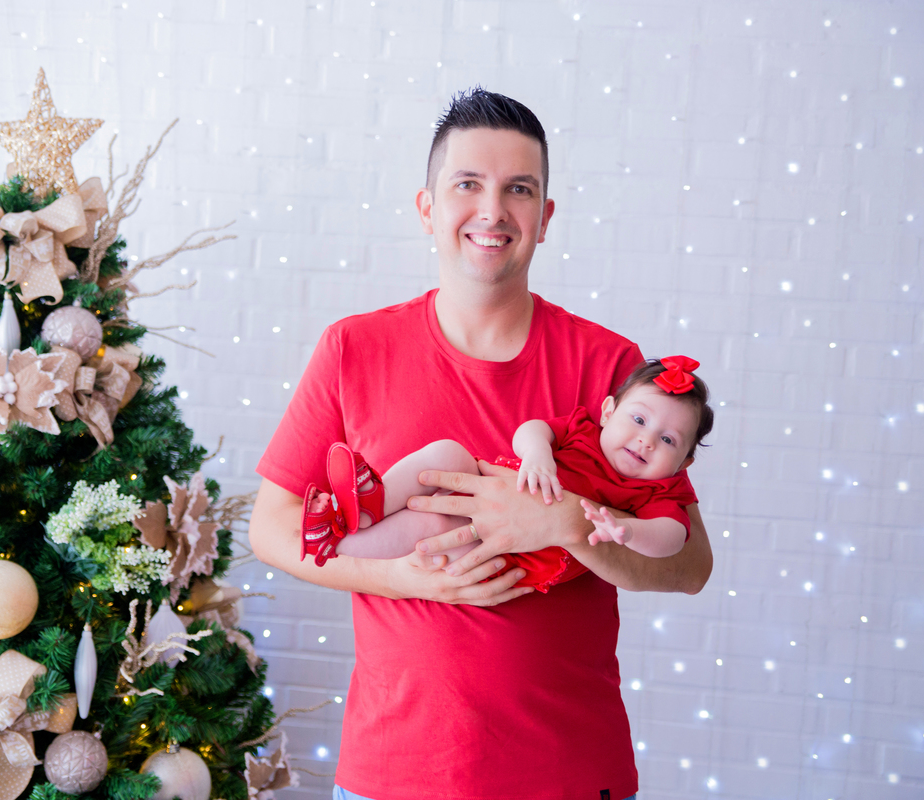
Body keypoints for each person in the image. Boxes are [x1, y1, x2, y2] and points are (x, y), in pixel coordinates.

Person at [249, 88, 712, 800]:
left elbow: (690, 565)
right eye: (468, 185)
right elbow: (270, 529)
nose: (493, 212)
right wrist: (400, 578)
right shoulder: (353, 348)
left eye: (518, 190)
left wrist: (566, 526)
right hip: (394, 774)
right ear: (428, 206)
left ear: (545, 218)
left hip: (567, 772)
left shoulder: (614, 370)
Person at [300, 356, 713, 594]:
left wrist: (627, 531)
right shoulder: (586, 428)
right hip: (489, 488)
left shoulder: (657, 489)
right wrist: (538, 454)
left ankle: (339, 544)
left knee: (432, 526)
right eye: (638, 419)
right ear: (608, 412)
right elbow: (532, 430)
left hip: (517, 558)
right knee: (449, 453)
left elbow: (675, 539)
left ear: (685, 465)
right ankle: (368, 507)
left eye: (669, 441)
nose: (645, 441)